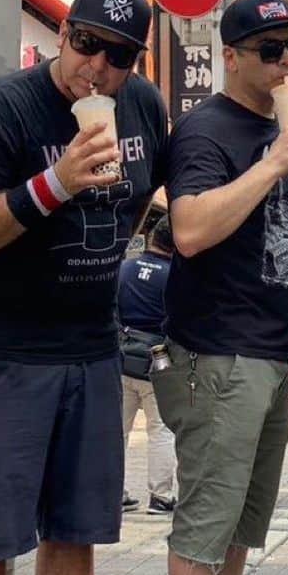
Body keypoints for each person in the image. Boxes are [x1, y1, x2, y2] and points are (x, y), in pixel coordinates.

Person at [0, 0, 167, 575]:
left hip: (96, 354)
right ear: (62, 35)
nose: (97, 66)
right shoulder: (2, 109)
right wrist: (55, 183)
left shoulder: (143, 108)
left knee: (73, 535)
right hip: (6, 355)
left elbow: (152, 200)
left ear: (135, 64)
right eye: (88, 44)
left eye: (118, 56)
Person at [153, 0, 288, 575]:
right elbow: (188, 229)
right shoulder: (206, 129)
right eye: (270, 51)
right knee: (203, 526)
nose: (286, 64)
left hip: (269, 353)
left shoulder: (283, 127)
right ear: (229, 57)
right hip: (220, 352)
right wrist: (274, 163)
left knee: (245, 521)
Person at [118, 215, 176, 515]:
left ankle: (113, 494)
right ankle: (161, 496)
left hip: (122, 356)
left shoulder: (124, 268)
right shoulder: (174, 276)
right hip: (159, 360)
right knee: (161, 430)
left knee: (117, 431)